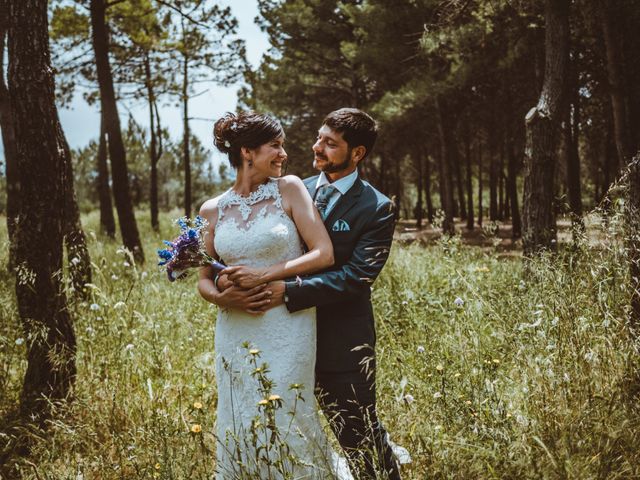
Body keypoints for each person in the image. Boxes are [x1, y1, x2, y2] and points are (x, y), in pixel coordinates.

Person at [219, 108, 404, 479]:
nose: (316, 147)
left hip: (340, 339)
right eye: (319, 137)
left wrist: (286, 292)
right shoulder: (289, 187)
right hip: (281, 335)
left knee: (359, 435)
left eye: (330, 143)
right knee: (285, 429)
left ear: (357, 154)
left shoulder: (377, 208)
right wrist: (226, 283)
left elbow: (356, 277)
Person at [197, 111, 353, 479]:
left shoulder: (291, 189)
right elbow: (203, 279)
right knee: (238, 412)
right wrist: (223, 299)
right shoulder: (211, 210)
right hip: (235, 329)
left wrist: (265, 274)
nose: (284, 153)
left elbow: (323, 253)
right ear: (247, 151)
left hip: (286, 321)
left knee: (286, 409)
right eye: (275, 146)